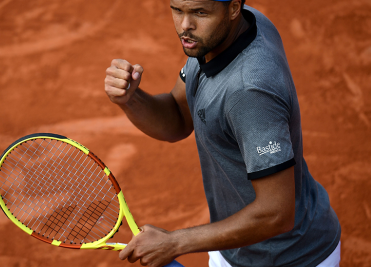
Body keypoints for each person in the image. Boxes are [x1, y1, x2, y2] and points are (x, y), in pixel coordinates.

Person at [103, 0, 341, 266]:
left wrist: (174, 243)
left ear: (233, 8)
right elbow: (179, 118)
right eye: (177, 9)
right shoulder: (221, 35)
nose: (185, 26)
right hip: (237, 247)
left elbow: (277, 213)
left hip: (290, 257)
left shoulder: (250, 92)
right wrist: (131, 99)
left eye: (199, 12)